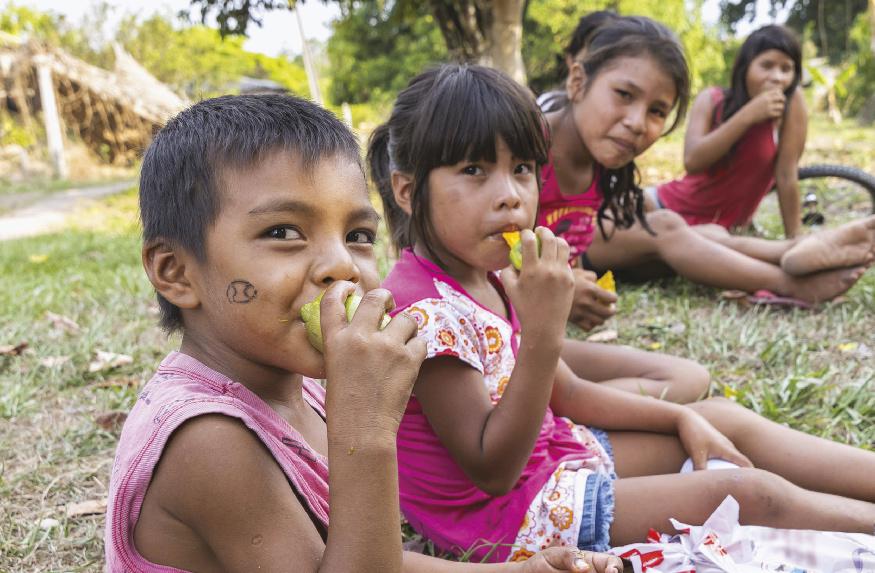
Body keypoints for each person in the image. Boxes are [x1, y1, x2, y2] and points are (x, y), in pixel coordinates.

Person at [370, 59, 875, 564]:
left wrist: (679, 416)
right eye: (473, 170)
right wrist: (545, 329)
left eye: (521, 169)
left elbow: (569, 394)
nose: (510, 196)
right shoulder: (424, 311)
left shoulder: (489, 275)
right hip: (512, 521)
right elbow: (492, 469)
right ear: (408, 191)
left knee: (719, 419)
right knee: (747, 495)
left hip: (557, 460)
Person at [104, 94, 623, 573]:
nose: (342, 266)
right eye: (283, 232)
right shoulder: (208, 441)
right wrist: (366, 432)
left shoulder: (300, 391)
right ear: (176, 272)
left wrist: (516, 571)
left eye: (357, 235)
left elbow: (353, 553)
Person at [542, 16, 874, 306]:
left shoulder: (600, 158)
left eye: (657, 111)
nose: (637, 123)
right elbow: (693, 161)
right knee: (668, 228)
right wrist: (568, 285)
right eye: (624, 94)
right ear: (577, 82)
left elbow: (786, 174)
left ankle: (795, 249)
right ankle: (789, 282)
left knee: (703, 233)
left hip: (593, 245)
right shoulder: (529, 147)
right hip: (579, 251)